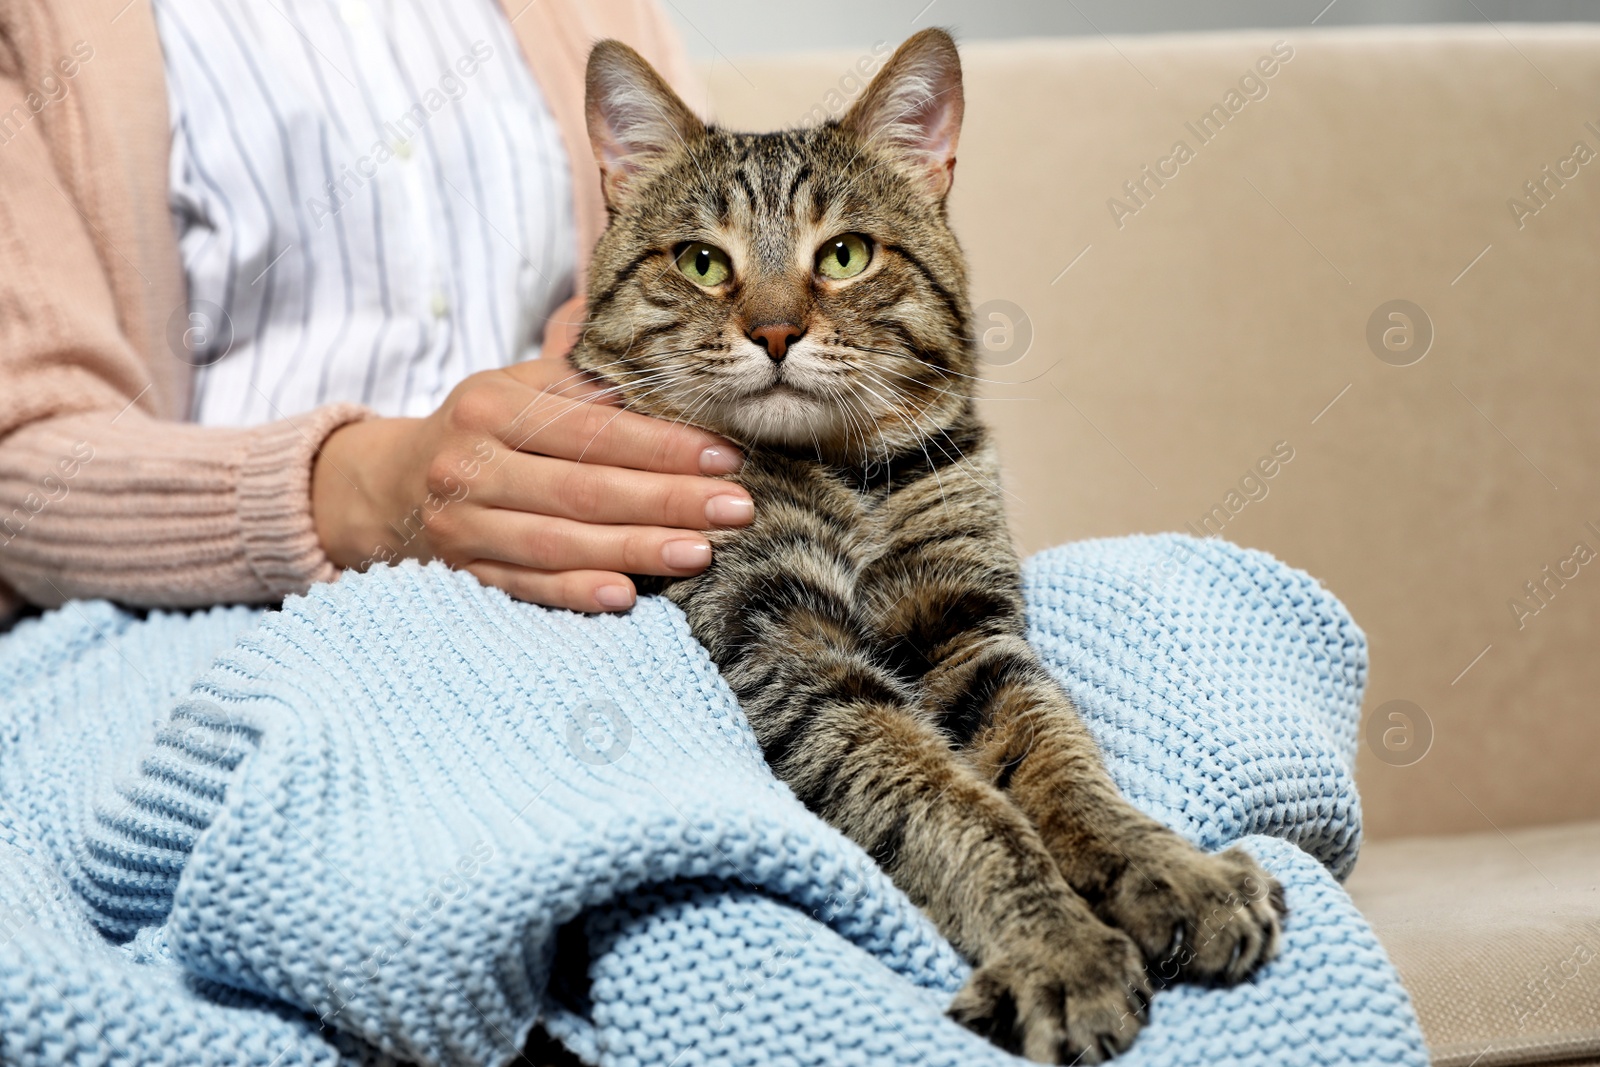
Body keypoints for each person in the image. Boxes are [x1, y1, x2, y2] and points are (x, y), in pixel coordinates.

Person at [0, 0, 753, 621]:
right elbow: (22, 466)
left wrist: (596, 356)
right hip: (213, 619)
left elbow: (709, 235)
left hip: (590, 584)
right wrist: (359, 490)